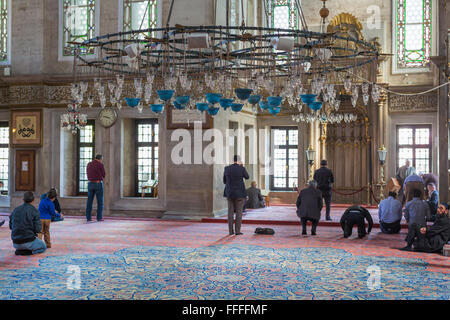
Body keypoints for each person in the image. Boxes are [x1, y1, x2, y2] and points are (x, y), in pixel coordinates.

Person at [223, 155, 249, 235]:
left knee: (230, 213)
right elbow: (247, 177)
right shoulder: (242, 168)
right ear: (239, 161)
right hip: (240, 194)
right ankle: (237, 231)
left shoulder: (227, 168)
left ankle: (230, 231)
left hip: (229, 193)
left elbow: (224, 181)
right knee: (239, 212)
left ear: (233, 160)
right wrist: (242, 167)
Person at [86, 154, 106, 222]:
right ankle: (99, 218)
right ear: (100, 159)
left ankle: (88, 218)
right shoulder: (100, 164)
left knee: (89, 202)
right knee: (100, 202)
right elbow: (104, 174)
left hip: (90, 183)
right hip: (98, 183)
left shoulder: (89, 164)